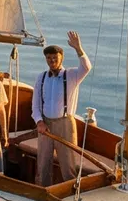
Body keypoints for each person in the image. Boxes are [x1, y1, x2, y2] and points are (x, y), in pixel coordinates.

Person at [32, 32, 92, 187]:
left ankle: (70, 191)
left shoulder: (72, 75)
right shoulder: (42, 77)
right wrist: (39, 122)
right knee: (43, 161)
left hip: (65, 124)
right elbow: (36, 104)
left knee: (67, 162)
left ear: (61, 58)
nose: (52, 61)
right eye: (49, 58)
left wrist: (78, 48)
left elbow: (87, 67)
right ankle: (42, 190)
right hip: (45, 124)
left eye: (55, 58)